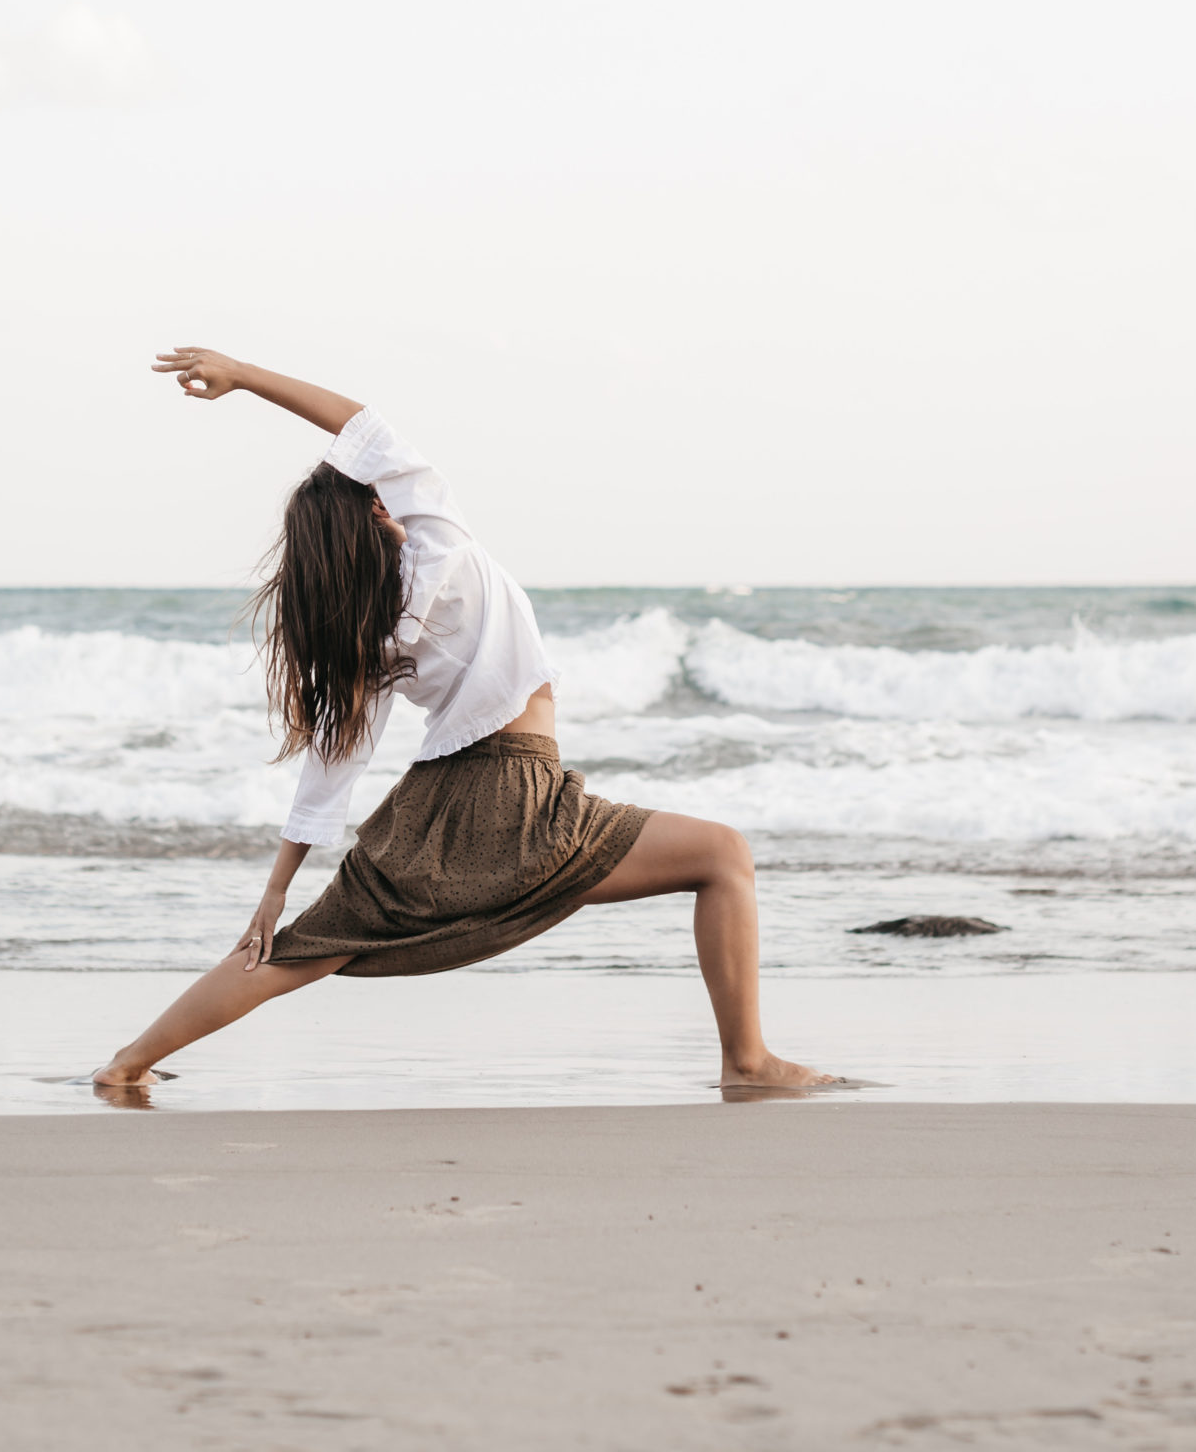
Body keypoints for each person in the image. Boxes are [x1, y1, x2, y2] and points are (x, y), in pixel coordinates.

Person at [94, 349, 840, 1094]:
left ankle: (127, 1062)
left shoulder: (370, 629)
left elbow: (333, 765)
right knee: (722, 856)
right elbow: (363, 424)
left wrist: (275, 889)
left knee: (302, 950)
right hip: (508, 793)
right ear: (382, 505)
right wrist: (244, 375)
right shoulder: (444, 544)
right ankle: (746, 1063)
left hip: (458, 801)